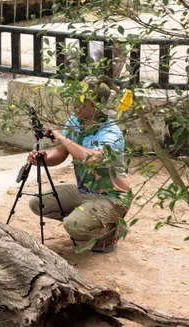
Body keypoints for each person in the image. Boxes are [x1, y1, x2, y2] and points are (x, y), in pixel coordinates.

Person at [26, 83, 131, 252]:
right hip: (84, 191)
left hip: (112, 197)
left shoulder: (111, 132)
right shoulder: (75, 121)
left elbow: (95, 160)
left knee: (73, 226)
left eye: (82, 100)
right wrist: (43, 160)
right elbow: (61, 152)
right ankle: (90, 219)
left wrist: (63, 138)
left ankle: (111, 230)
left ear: (96, 105)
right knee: (37, 203)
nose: (75, 103)